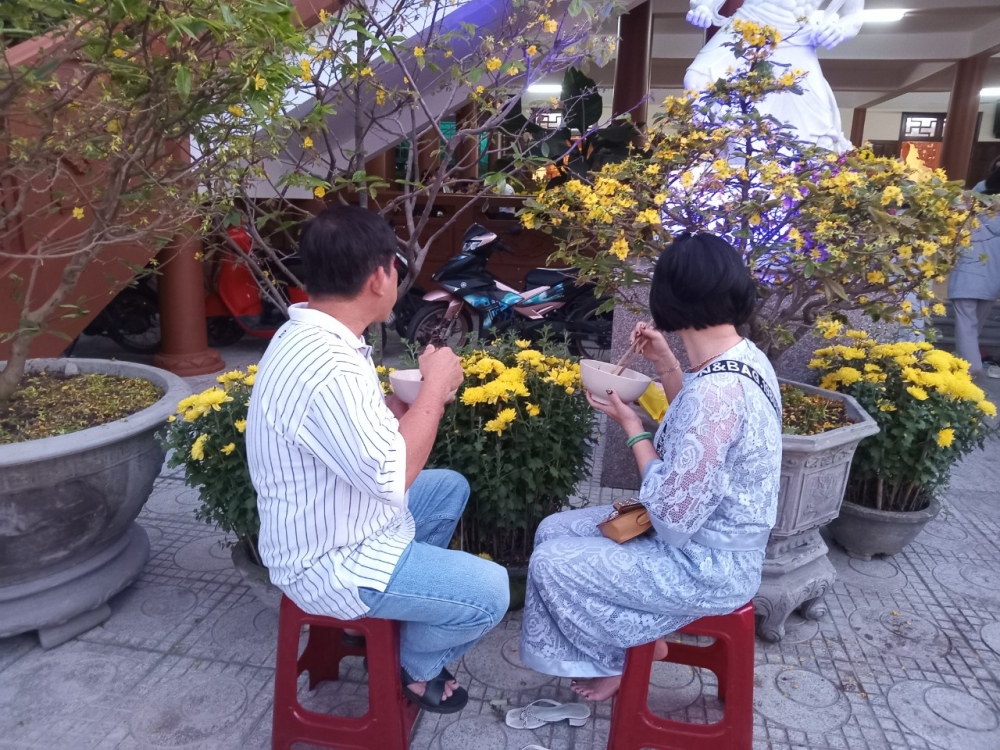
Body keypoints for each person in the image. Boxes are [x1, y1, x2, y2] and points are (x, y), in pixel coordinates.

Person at [247, 205, 509, 713]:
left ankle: (394, 616)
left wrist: (395, 406)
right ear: (378, 277)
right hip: (330, 560)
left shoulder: (314, 336)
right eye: (395, 267)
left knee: (448, 487)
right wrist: (433, 388)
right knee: (490, 591)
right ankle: (414, 664)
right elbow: (393, 476)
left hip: (341, 519)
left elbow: (347, 435)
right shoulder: (328, 365)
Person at [519, 233, 782, 701]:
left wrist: (632, 428)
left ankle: (619, 654)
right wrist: (665, 361)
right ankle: (636, 636)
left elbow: (671, 517)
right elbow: (697, 432)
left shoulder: (716, 391)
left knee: (551, 564)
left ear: (668, 298)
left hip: (708, 565)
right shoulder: (744, 358)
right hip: (707, 541)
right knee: (552, 530)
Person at [685, 0, 864, 153]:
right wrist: (703, 6)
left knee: (818, 125)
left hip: (798, 36)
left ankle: (778, 168)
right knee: (698, 81)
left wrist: (840, 29)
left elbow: (853, 15)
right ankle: (725, 150)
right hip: (748, 23)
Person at [948, 166, 1000, 376]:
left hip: (967, 273)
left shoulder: (970, 207)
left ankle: (971, 366)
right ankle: (965, 360)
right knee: (973, 327)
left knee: (967, 326)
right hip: (993, 278)